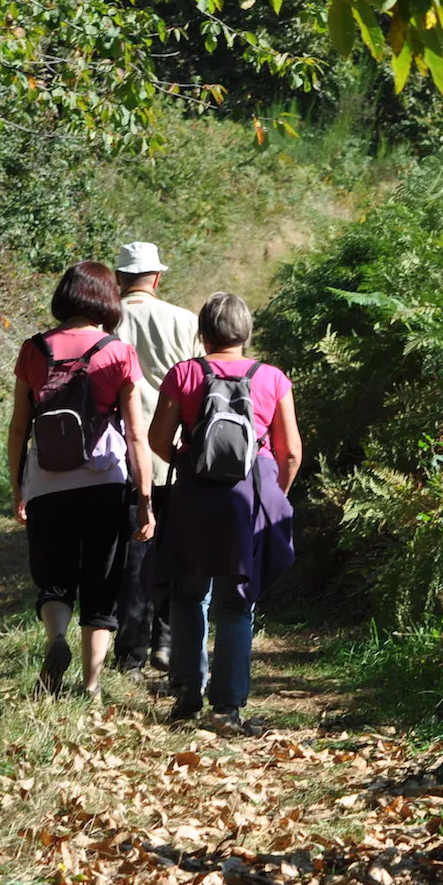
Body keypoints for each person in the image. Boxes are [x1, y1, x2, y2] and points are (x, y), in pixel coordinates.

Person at [148, 292, 302, 736]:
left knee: (188, 594)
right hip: (248, 497)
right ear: (247, 333)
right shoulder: (272, 377)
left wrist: (185, 458)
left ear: (203, 333)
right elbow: (290, 452)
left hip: (195, 495)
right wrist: (274, 494)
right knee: (237, 606)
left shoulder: (185, 373)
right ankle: (227, 708)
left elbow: (159, 439)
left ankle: (186, 693)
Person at [7, 262, 156, 701]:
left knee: (54, 576)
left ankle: (56, 639)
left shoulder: (33, 350)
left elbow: (19, 426)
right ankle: (90, 686)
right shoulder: (117, 352)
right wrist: (145, 497)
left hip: (47, 482)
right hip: (105, 482)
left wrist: (18, 487)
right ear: (106, 299)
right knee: (101, 581)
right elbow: (136, 434)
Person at [111, 241, 202, 675]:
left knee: (132, 556)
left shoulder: (106, 321)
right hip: (173, 453)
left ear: (118, 279)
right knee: (174, 549)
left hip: (122, 457)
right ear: (158, 278)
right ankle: (166, 642)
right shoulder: (185, 321)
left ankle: (130, 652)